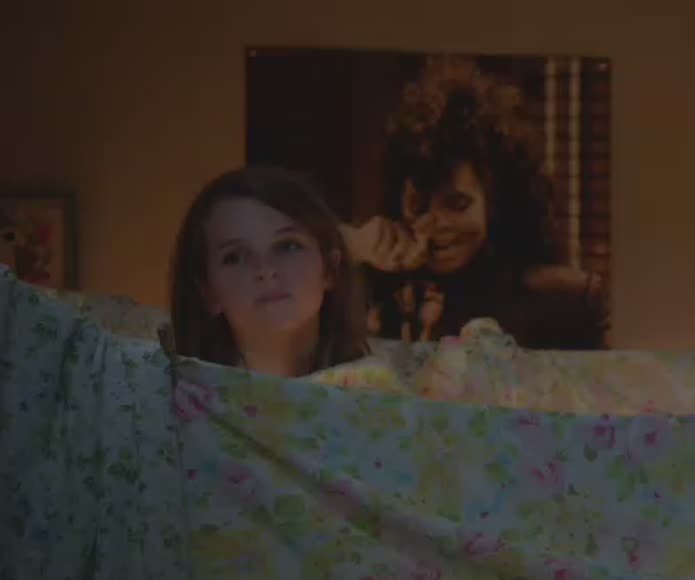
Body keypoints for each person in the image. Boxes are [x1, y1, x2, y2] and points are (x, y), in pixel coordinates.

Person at [343, 57, 609, 349]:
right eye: (418, 204)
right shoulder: (366, 291)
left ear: (496, 203)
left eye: (458, 204)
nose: (434, 223)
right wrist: (351, 247)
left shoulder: (564, 302)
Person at [168, 165, 372, 379]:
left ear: (330, 270)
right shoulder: (170, 393)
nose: (266, 270)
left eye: (287, 246)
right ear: (208, 292)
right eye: (235, 257)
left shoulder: (380, 393)